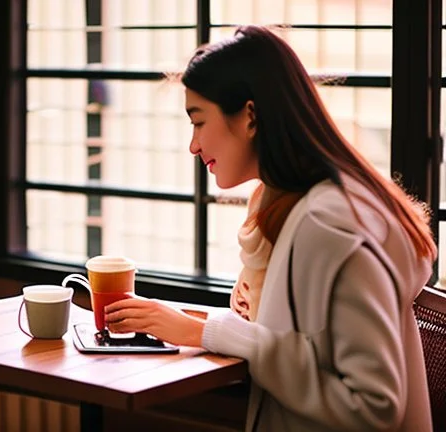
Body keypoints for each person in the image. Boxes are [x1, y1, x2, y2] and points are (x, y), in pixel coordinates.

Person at [104, 25, 435, 432]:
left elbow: (371, 405)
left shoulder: (328, 222)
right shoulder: (289, 209)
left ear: (249, 116)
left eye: (199, 121)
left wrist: (210, 332)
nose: (193, 145)